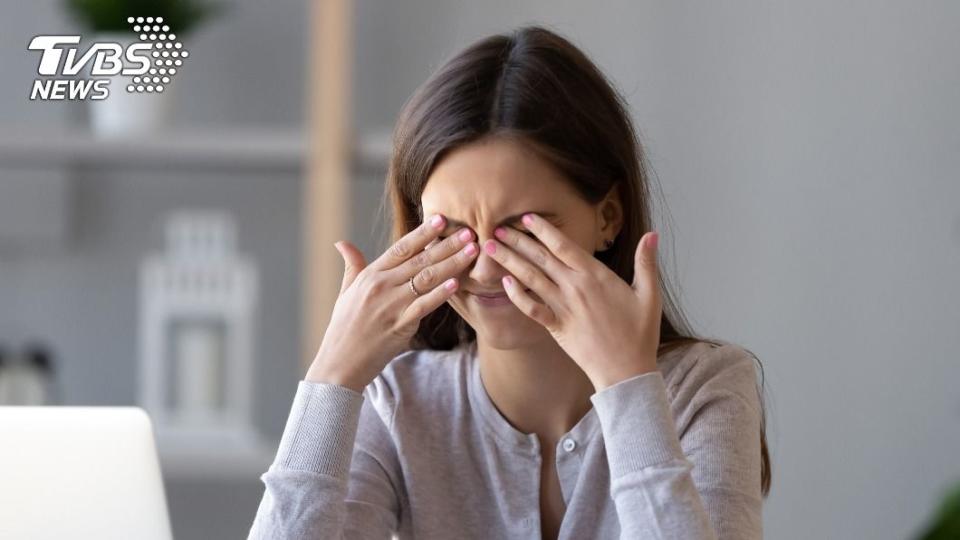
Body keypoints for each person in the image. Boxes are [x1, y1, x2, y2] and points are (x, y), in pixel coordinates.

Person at [247, 24, 772, 540]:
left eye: (521, 229)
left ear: (608, 216)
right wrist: (333, 378)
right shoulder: (398, 403)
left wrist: (627, 387)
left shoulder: (704, 389)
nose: (484, 268)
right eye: (451, 232)